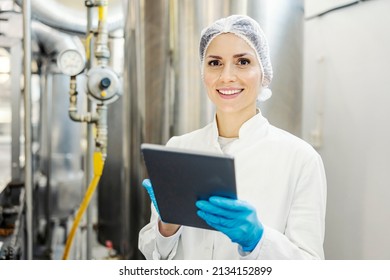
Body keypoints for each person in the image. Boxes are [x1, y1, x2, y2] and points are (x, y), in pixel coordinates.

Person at [138, 14, 327, 260]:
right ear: (203, 72)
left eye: (243, 62)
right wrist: (166, 226)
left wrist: (257, 240)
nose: (226, 76)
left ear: (264, 73)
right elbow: (154, 255)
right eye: (215, 63)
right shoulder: (179, 147)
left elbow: (311, 265)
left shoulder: (300, 158)